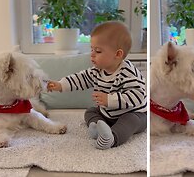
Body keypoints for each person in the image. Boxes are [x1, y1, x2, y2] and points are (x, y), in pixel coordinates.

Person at [47, 21, 147, 150]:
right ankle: (97, 128)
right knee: (91, 111)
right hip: (109, 114)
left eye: (98, 51)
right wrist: (61, 85)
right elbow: (80, 79)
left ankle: (112, 139)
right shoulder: (97, 70)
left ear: (118, 54)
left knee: (130, 121)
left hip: (134, 113)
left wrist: (109, 99)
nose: (92, 54)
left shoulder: (128, 72)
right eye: (92, 49)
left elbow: (138, 95)